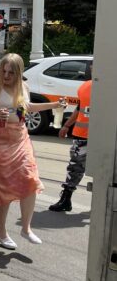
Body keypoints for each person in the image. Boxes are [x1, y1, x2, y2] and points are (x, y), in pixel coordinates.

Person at [0, 53, 65, 248]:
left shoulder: (24, 86)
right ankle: (1, 229)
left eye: (11, 73)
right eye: (3, 71)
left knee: (30, 179)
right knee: (3, 187)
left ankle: (26, 228)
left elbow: (26, 107)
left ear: (19, 73)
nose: (6, 76)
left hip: (20, 138)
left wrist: (54, 105)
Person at [50, 64, 93, 212]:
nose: (92, 68)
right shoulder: (85, 86)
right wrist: (66, 126)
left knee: (105, 171)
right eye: (92, 65)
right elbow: (80, 108)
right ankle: (66, 199)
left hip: (104, 137)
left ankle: (105, 203)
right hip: (82, 135)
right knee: (74, 168)